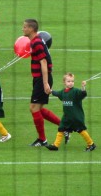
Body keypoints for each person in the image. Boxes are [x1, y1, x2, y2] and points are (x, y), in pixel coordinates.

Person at [22, 19, 60, 147]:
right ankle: (64, 126)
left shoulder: (36, 42)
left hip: (42, 79)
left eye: (25, 27)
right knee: (38, 108)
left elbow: (43, 62)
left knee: (33, 108)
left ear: (32, 29)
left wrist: (45, 83)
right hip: (39, 78)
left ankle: (42, 139)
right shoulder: (35, 41)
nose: (23, 29)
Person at [46, 73, 96, 152]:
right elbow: (57, 93)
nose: (71, 83)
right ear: (64, 82)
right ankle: (55, 145)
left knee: (81, 130)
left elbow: (83, 94)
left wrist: (83, 87)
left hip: (76, 117)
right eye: (68, 81)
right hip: (67, 117)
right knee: (61, 128)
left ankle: (91, 144)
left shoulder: (76, 91)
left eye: (72, 81)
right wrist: (50, 91)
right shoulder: (63, 92)